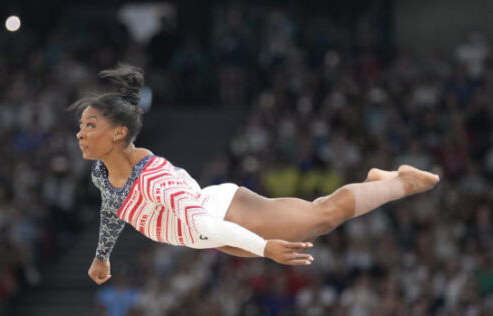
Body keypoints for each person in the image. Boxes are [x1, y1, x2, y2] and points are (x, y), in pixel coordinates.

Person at [73, 64, 440, 285]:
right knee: (318, 220)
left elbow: (201, 224)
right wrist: (102, 255)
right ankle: (378, 182)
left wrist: (265, 248)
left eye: (90, 125)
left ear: (119, 132)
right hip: (206, 234)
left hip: (224, 215)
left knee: (323, 216)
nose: (80, 133)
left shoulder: (154, 178)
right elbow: (112, 207)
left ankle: (398, 182)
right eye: (81, 125)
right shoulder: (102, 173)